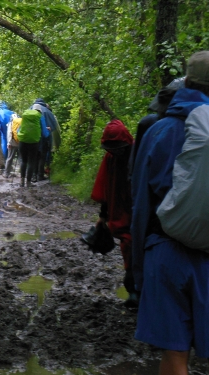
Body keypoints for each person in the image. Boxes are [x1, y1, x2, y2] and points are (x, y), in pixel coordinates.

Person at [131, 51, 209, 375]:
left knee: (175, 357)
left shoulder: (158, 131)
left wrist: (137, 269)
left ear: (186, 82)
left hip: (165, 252)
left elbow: (140, 206)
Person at [90, 119, 137, 306]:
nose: (115, 151)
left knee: (138, 247)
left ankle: (137, 288)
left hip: (138, 208)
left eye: (118, 146)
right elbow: (105, 186)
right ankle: (133, 289)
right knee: (127, 245)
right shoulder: (110, 158)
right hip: (119, 209)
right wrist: (103, 216)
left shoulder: (138, 154)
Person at [17, 103, 50, 187]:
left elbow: (19, 130)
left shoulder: (25, 115)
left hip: (23, 141)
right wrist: (48, 130)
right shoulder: (40, 116)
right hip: (34, 142)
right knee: (31, 162)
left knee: (24, 161)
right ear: (40, 110)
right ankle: (28, 182)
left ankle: (21, 181)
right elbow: (45, 134)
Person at [31, 98, 59, 181]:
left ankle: (33, 175)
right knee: (42, 157)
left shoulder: (30, 109)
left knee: (35, 157)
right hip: (44, 138)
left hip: (32, 138)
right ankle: (40, 175)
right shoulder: (47, 111)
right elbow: (53, 126)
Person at [3, 112, 20, 178]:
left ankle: (6, 173)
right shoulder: (20, 122)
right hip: (20, 143)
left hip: (12, 143)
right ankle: (23, 174)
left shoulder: (11, 123)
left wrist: (9, 143)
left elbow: (9, 133)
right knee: (21, 158)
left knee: (10, 158)